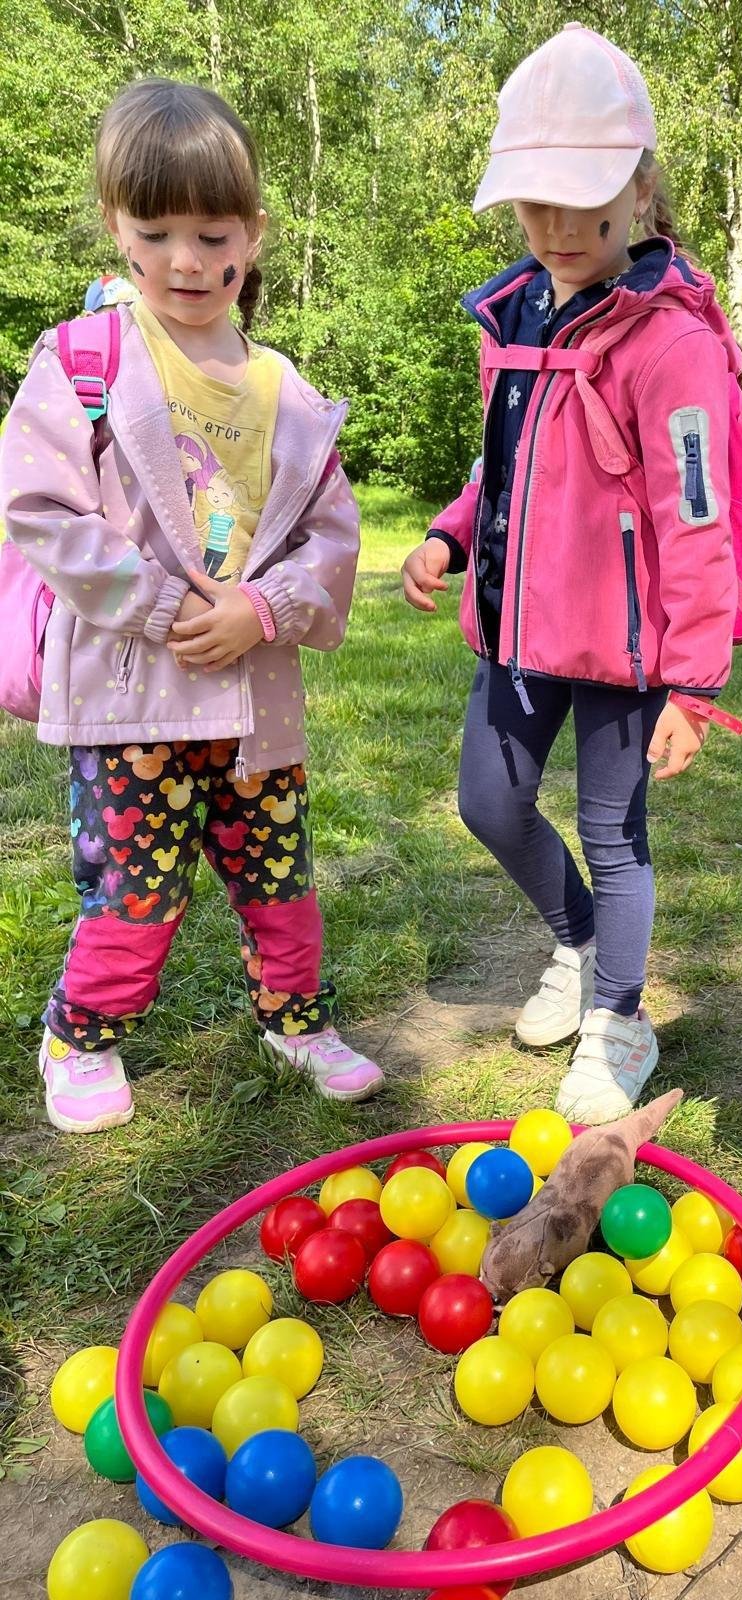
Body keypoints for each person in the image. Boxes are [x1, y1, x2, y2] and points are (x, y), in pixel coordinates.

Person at [0, 78, 382, 1132]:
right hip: (132, 700)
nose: (185, 260)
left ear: (252, 235)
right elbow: (36, 506)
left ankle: (296, 1021)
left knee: (280, 877)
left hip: (255, 704)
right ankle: (80, 1038)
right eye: (155, 232)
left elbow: (333, 537)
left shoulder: (285, 391)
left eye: (212, 235)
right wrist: (157, 603)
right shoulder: (85, 363)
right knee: (134, 888)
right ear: (115, 226)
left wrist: (268, 609)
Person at [402, 24, 742, 1123]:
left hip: (627, 646)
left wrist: (694, 682)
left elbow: (696, 518)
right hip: (517, 626)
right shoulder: (513, 319)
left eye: (583, 205)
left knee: (613, 833)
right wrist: (452, 535)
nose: (555, 230)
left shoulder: (672, 342)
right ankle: (580, 941)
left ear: (639, 190)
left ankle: (621, 1018)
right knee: (489, 802)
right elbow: (503, 464)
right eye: (535, 204)